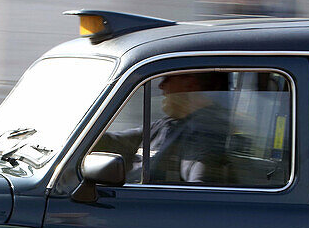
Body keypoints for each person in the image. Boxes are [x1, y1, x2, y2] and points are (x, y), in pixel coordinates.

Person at [95, 72, 230, 184]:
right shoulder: (167, 124)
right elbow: (114, 141)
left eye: (167, 78)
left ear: (190, 84)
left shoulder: (205, 134)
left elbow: (199, 190)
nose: (161, 86)